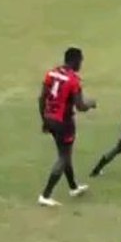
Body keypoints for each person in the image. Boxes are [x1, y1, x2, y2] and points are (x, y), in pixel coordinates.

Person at [37, 47, 96, 207]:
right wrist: (91, 103)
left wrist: (44, 119)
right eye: (81, 61)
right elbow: (81, 106)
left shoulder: (52, 73)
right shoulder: (73, 80)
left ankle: (73, 187)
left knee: (64, 152)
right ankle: (45, 195)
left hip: (50, 117)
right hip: (64, 122)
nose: (81, 64)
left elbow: (42, 98)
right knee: (63, 157)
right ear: (75, 60)